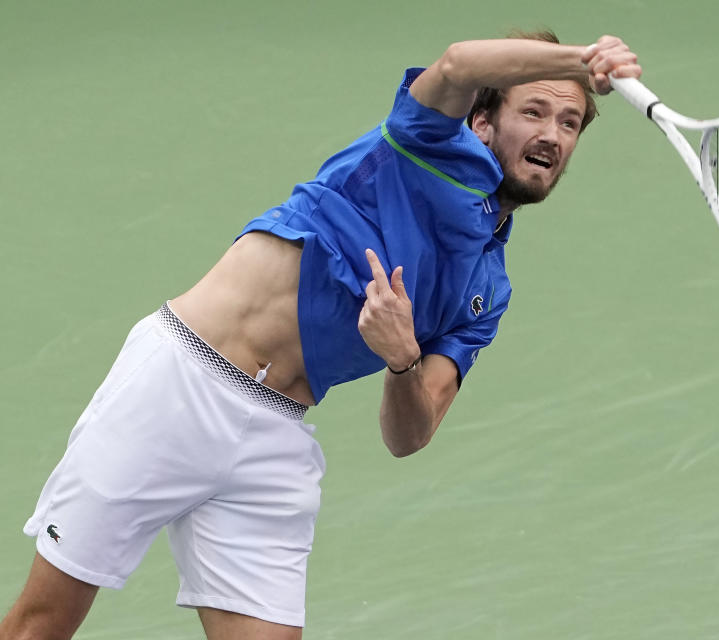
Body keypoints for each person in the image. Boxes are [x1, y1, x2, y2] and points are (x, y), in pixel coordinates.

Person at [0, 30, 641, 640]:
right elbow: (458, 64)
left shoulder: (487, 291)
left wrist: (402, 360)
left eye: (569, 123)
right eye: (534, 110)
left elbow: (409, 436)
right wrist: (580, 59)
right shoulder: (425, 144)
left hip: (276, 437)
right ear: (481, 122)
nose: (552, 135)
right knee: (42, 624)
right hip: (178, 387)